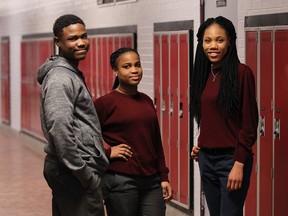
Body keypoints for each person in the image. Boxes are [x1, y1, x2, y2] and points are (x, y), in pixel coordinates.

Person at [37, 14, 109, 216]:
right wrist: (83, 173)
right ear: (58, 42)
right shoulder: (61, 78)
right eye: (72, 38)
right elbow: (59, 127)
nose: (81, 43)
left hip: (69, 170)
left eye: (84, 36)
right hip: (73, 172)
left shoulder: (68, 73)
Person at [190, 16, 258, 216]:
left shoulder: (241, 73)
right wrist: (201, 142)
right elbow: (209, 117)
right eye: (207, 40)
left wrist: (239, 163)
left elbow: (249, 125)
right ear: (201, 43)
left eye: (219, 40)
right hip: (206, 158)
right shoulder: (203, 74)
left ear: (230, 42)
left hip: (231, 159)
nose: (213, 46)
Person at [94, 47, 173, 216]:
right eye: (127, 66)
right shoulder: (104, 104)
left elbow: (156, 142)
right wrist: (107, 153)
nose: (134, 70)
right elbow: (84, 138)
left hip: (151, 181)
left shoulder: (146, 101)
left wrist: (163, 177)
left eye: (137, 65)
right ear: (115, 71)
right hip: (121, 180)